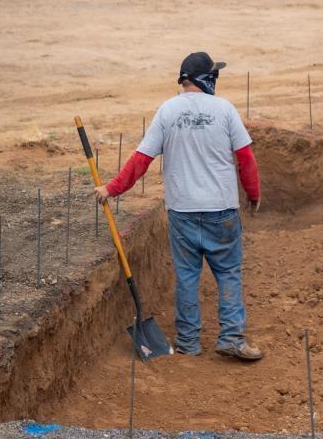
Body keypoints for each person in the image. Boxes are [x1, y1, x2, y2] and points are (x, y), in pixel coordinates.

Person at [95, 52, 264, 361]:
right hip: (221, 211)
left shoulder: (167, 112)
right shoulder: (225, 110)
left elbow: (141, 161)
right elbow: (246, 159)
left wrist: (111, 188)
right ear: (209, 79)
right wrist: (253, 194)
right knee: (227, 273)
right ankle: (231, 337)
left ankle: (188, 342)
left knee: (186, 275)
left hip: (182, 213)